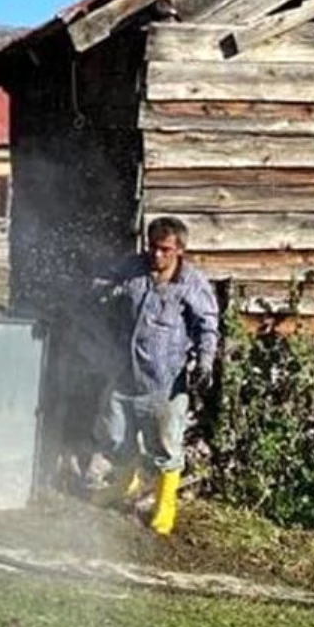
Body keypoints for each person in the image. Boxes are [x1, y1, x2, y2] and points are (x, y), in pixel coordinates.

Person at [89, 216, 219, 535]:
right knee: (115, 436)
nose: (157, 256)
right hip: (123, 373)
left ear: (179, 251)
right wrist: (107, 291)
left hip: (164, 383)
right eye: (153, 248)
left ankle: (165, 508)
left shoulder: (192, 285)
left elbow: (208, 326)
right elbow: (101, 286)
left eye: (165, 250)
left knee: (164, 447)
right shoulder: (133, 268)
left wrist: (204, 361)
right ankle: (124, 485)